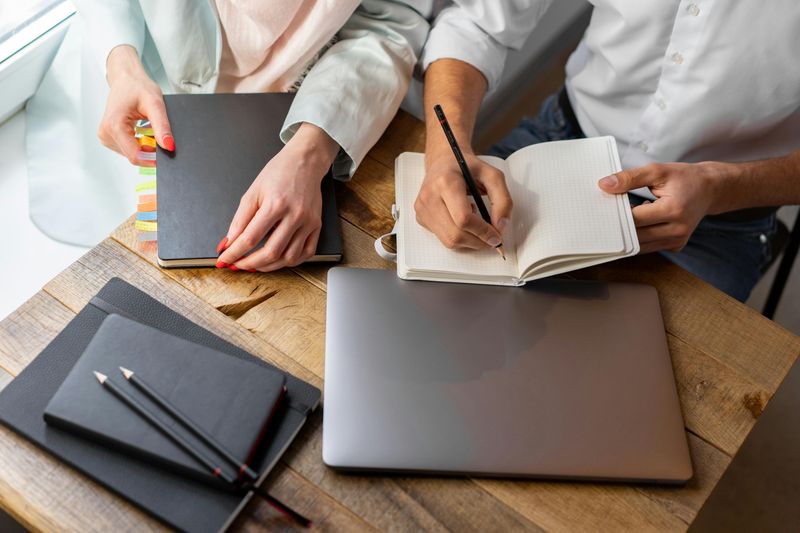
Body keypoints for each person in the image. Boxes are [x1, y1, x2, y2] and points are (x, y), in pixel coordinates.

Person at [415, 1, 800, 301]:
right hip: (562, 141)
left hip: (721, 215)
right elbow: (479, 23)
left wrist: (720, 187)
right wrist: (444, 154)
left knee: (637, 386)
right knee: (435, 304)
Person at [26, 1, 427, 271]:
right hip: (136, 72)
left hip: (302, 100)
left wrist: (310, 151)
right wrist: (120, 64)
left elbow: (391, 20)